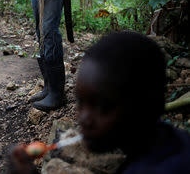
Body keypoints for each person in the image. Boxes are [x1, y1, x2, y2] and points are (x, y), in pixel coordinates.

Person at [76, 31, 190, 173]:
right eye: (80, 102)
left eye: (104, 107)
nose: (84, 119)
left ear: (149, 105)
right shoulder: (173, 141)